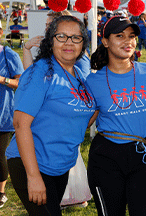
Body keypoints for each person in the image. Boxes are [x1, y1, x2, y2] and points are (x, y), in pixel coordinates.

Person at [6, 15, 96, 215]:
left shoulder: (79, 76)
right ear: (50, 39)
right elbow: (21, 124)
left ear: (83, 43)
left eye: (76, 38)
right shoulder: (40, 73)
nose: (69, 43)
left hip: (60, 165)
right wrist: (33, 176)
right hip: (32, 163)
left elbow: (85, 117)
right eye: (61, 36)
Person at [87, 16, 146, 215]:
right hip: (105, 156)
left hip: (143, 154)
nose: (128, 41)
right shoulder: (93, 81)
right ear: (105, 41)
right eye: (120, 36)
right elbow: (82, 122)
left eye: (132, 36)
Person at [0, 24, 24, 208]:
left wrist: (2, 80)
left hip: (2, 115)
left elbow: (22, 82)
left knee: (0, 157)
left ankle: (1, 193)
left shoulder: (9, 55)